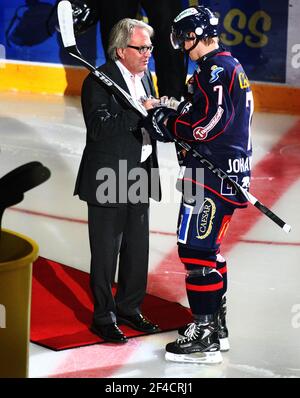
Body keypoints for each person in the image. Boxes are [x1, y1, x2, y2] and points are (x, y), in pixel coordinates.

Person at [143, 6, 254, 363]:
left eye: (181, 37)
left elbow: (211, 123)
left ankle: (204, 333)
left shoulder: (217, 70)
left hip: (212, 174)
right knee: (209, 250)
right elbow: (200, 114)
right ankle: (216, 326)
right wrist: (171, 111)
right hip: (219, 171)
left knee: (196, 251)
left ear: (194, 35)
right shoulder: (216, 69)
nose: (180, 45)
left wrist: (172, 125)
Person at [74, 18, 162, 344]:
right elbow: (98, 129)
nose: (147, 53)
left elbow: (147, 121)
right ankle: (104, 317)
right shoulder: (98, 80)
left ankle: (129, 308)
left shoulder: (146, 78)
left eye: (150, 47)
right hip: (108, 175)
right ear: (121, 49)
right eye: (142, 48)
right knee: (106, 253)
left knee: (137, 250)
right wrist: (138, 110)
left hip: (140, 172)